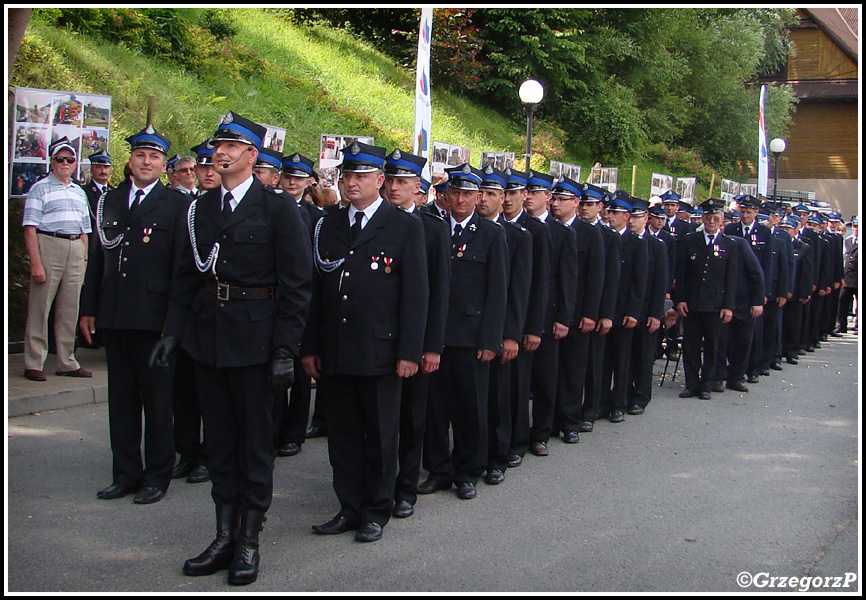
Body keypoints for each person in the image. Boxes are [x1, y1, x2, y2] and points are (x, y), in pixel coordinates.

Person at [152, 111, 312, 584]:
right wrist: (172, 335)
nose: (218, 153)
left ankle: (248, 539)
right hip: (208, 340)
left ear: (252, 155)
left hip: (256, 342)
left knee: (254, 445)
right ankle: (223, 533)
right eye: (216, 145)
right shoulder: (200, 208)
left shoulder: (278, 208)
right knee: (219, 441)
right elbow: (186, 277)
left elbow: (297, 285)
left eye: (230, 146)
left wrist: (285, 349)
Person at [301, 141, 427, 542]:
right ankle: (348, 506)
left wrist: (409, 351)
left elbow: (415, 295)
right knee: (343, 435)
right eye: (346, 175)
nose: (351, 183)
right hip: (336, 348)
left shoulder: (405, 226)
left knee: (380, 435)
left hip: (380, 350)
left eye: (360, 176)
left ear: (380, 180)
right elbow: (315, 292)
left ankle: (376, 509)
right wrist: (310, 347)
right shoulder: (329, 223)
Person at [80, 124, 190, 505]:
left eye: (155, 157)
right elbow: (98, 260)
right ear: (130, 161)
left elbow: (182, 271)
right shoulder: (109, 201)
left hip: (153, 318)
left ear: (165, 166)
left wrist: (172, 324)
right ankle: (125, 473)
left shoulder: (177, 206)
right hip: (114, 313)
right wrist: (89, 309)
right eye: (141, 155)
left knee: (158, 401)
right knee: (121, 400)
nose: (147, 161)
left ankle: (157, 475)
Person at [420, 163, 507, 500]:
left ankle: (468, 471)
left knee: (471, 407)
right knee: (435, 407)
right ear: (445, 194)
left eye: (468, 194)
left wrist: (490, 339)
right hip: (436, 334)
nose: (460, 199)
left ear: (478, 197)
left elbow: (497, 291)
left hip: (471, 337)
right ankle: (438, 469)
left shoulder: (491, 234)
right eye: (455, 192)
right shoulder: (432, 228)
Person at [382, 149, 450, 516]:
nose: (395, 188)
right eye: (390, 180)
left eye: (403, 182)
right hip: (378, 337)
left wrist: (431, 345)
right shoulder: (371, 220)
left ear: (417, 188)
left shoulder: (432, 228)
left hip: (415, 338)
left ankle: (405, 487)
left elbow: (439, 291)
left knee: (411, 416)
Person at [476, 165, 531, 484]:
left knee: (499, 396)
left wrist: (512, 334)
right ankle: (471, 454)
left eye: (492, 194)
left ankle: (498, 455)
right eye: (480, 192)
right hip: (469, 329)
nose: (483, 199)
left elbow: (519, 291)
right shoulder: (461, 231)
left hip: (499, 330)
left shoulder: (516, 237)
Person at [22, 137, 92, 382]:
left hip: (75, 246)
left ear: (75, 164)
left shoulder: (79, 191)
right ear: (51, 162)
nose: (65, 163)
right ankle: (34, 361)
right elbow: (30, 228)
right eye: (60, 159)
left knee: (69, 308)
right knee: (41, 307)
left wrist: (84, 259)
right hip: (49, 243)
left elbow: (85, 230)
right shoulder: (40, 188)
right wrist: (36, 262)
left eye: (69, 160)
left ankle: (66, 360)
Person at [523, 170, 578, 457]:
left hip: (548, 316)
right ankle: (520, 432)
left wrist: (563, 318)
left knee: (545, 380)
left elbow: (567, 279)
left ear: (548, 196)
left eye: (535, 192)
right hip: (522, 316)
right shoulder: (520, 227)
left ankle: (540, 432)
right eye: (526, 191)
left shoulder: (561, 233)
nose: (529, 197)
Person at [500, 168, 550, 468]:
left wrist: (532, 327)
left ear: (524, 196)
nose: (507, 200)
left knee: (519, 385)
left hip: (521, 320)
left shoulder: (536, 231)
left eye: (513, 194)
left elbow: (539, 283)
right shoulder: (489, 226)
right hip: (494, 319)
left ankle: (519, 439)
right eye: (504, 194)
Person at [549, 178, 603, 443]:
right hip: (552, 310)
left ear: (575, 203)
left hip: (579, 311)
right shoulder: (546, 228)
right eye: (554, 199)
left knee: (573, 368)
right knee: (549, 371)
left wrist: (591, 313)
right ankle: (547, 421)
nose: (556, 204)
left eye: (562, 200)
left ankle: (570, 420)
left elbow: (595, 277)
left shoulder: (590, 233)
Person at [674, 198, 738, 400]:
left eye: (715, 218)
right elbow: (681, 274)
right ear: (702, 218)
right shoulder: (689, 241)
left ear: (722, 221)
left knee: (712, 346)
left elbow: (732, 279)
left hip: (715, 305)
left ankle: (706, 385)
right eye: (708, 218)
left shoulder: (729, 245)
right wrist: (680, 300)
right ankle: (691, 384)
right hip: (692, 304)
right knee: (691, 346)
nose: (711, 222)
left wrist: (728, 306)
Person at [600, 192, 648, 423]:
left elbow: (639, 282)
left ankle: (618, 403)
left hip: (624, 311)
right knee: (602, 361)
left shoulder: (637, 244)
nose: (609, 216)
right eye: (608, 212)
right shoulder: (604, 238)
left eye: (615, 213)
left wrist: (633, 312)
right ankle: (601, 402)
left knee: (621, 360)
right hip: (604, 311)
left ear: (627, 216)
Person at [579, 183, 621, 431]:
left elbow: (610, 279)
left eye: (590, 204)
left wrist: (605, 314)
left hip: (595, 310)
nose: (585, 208)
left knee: (595, 363)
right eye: (583, 203)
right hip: (575, 308)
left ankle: (591, 409)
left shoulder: (608, 237)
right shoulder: (573, 230)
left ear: (600, 207)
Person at [625, 199, 668, 413]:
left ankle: (640, 397)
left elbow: (660, 282)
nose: (632, 221)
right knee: (625, 357)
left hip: (647, 310)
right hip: (627, 310)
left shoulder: (656, 246)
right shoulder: (623, 241)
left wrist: (656, 313)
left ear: (646, 219)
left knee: (643, 357)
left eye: (637, 217)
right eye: (630, 216)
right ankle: (623, 394)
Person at [779, 218, 814, 364]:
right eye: (783, 228)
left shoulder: (803, 247)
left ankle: (792, 350)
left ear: (795, 231)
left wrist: (804, 293)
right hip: (780, 291)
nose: (785, 232)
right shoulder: (778, 244)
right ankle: (778, 351)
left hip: (795, 293)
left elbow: (806, 272)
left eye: (788, 229)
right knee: (780, 324)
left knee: (793, 324)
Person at [836, 216, 857, 334]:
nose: (856, 229)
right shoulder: (848, 240)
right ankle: (842, 325)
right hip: (847, 276)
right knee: (843, 302)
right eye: (854, 226)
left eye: (858, 227)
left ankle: (858, 325)